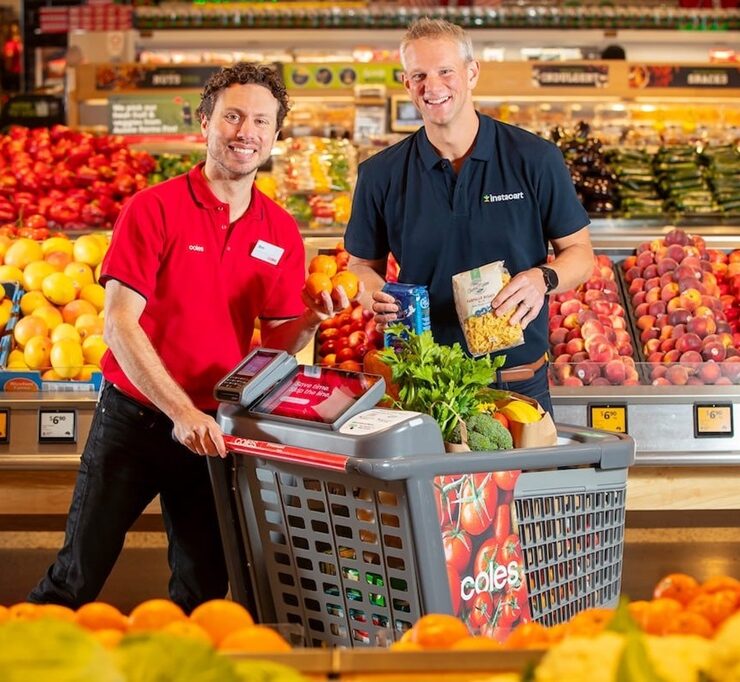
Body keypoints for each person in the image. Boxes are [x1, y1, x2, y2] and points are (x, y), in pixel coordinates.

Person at [29, 63, 349, 612]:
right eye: (232, 116)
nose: (245, 131)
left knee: (203, 589)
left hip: (213, 430)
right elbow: (118, 322)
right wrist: (180, 412)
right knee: (75, 576)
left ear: (274, 136)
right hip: (133, 421)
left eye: (260, 122)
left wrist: (313, 320)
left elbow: (275, 345)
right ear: (205, 123)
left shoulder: (279, 231)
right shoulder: (154, 208)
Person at [345, 18, 593, 415]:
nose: (433, 86)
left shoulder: (534, 158)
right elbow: (360, 266)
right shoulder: (380, 173)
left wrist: (542, 278)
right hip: (426, 380)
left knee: (521, 479)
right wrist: (375, 293)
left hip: (516, 380)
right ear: (407, 84)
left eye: (445, 71)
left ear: (472, 73)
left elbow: (581, 253)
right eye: (419, 75)